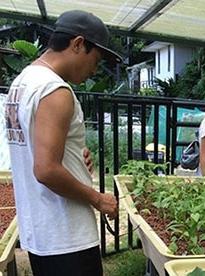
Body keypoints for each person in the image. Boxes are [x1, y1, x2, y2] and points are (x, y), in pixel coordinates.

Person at [5, 10, 121, 276]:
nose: (95, 69)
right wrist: (98, 199)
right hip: (67, 235)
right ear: (78, 43)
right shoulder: (55, 91)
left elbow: (39, 149)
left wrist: (74, 158)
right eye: (96, 59)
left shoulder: (22, 82)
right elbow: (45, 169)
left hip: (41, 233)